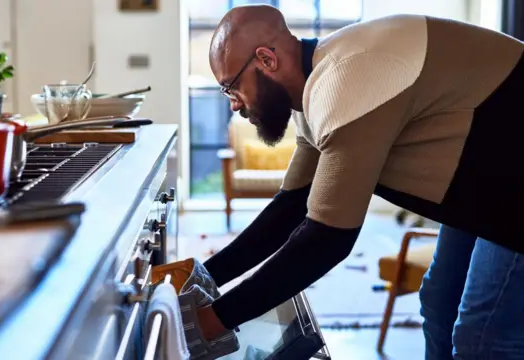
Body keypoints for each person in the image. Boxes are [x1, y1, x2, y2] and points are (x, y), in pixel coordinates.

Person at [196, 4, 524, 360]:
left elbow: (328, 238)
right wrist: (204, 278)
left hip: (512, 180)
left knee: (483, 334)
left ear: (266, 60)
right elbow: (292, 206)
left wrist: (214, 320)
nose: (233, 105)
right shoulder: (314, 92)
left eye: (231, 86)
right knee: (440, 300)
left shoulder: (347, 80)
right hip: (489, 174)